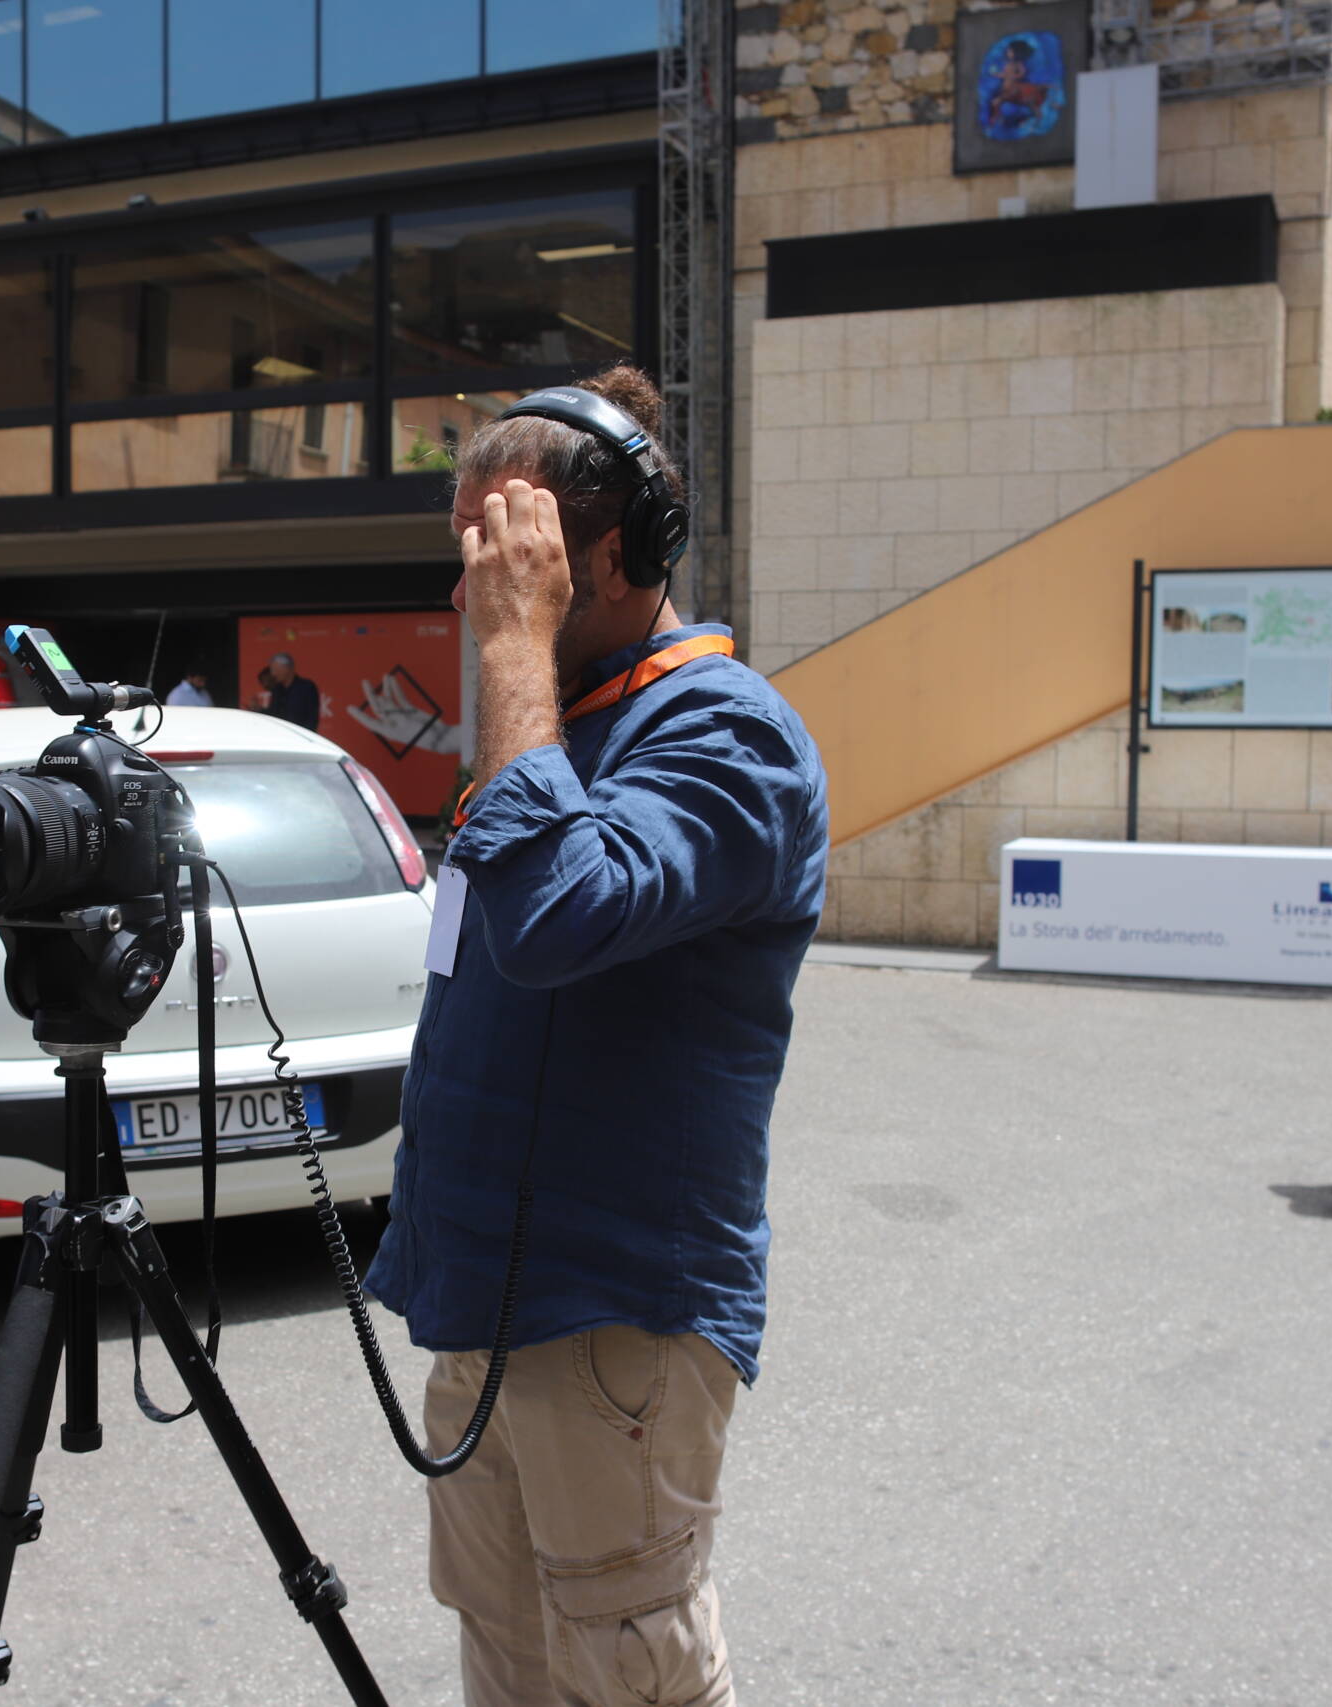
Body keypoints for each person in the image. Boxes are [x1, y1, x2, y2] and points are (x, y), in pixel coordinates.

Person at [363, 364, 828, 1707]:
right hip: (494, 1311)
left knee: (626, 1672)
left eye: (507, 565)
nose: (475, 599)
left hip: (611, 1319)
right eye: (474, 564)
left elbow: (559, 914)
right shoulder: (559, 722)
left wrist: (514, 648)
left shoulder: (727, 733)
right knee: (506, 1659)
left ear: (611, 554)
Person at [249, 652, 319, 731]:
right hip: (282, 735)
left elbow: (311, 718)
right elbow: (274, 715)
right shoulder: (277, 690)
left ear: (287, 668)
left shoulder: (306, 687)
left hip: (301, 736)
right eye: (272, 670)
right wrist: (259, 710)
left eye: (276, 669)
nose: (274, 673)